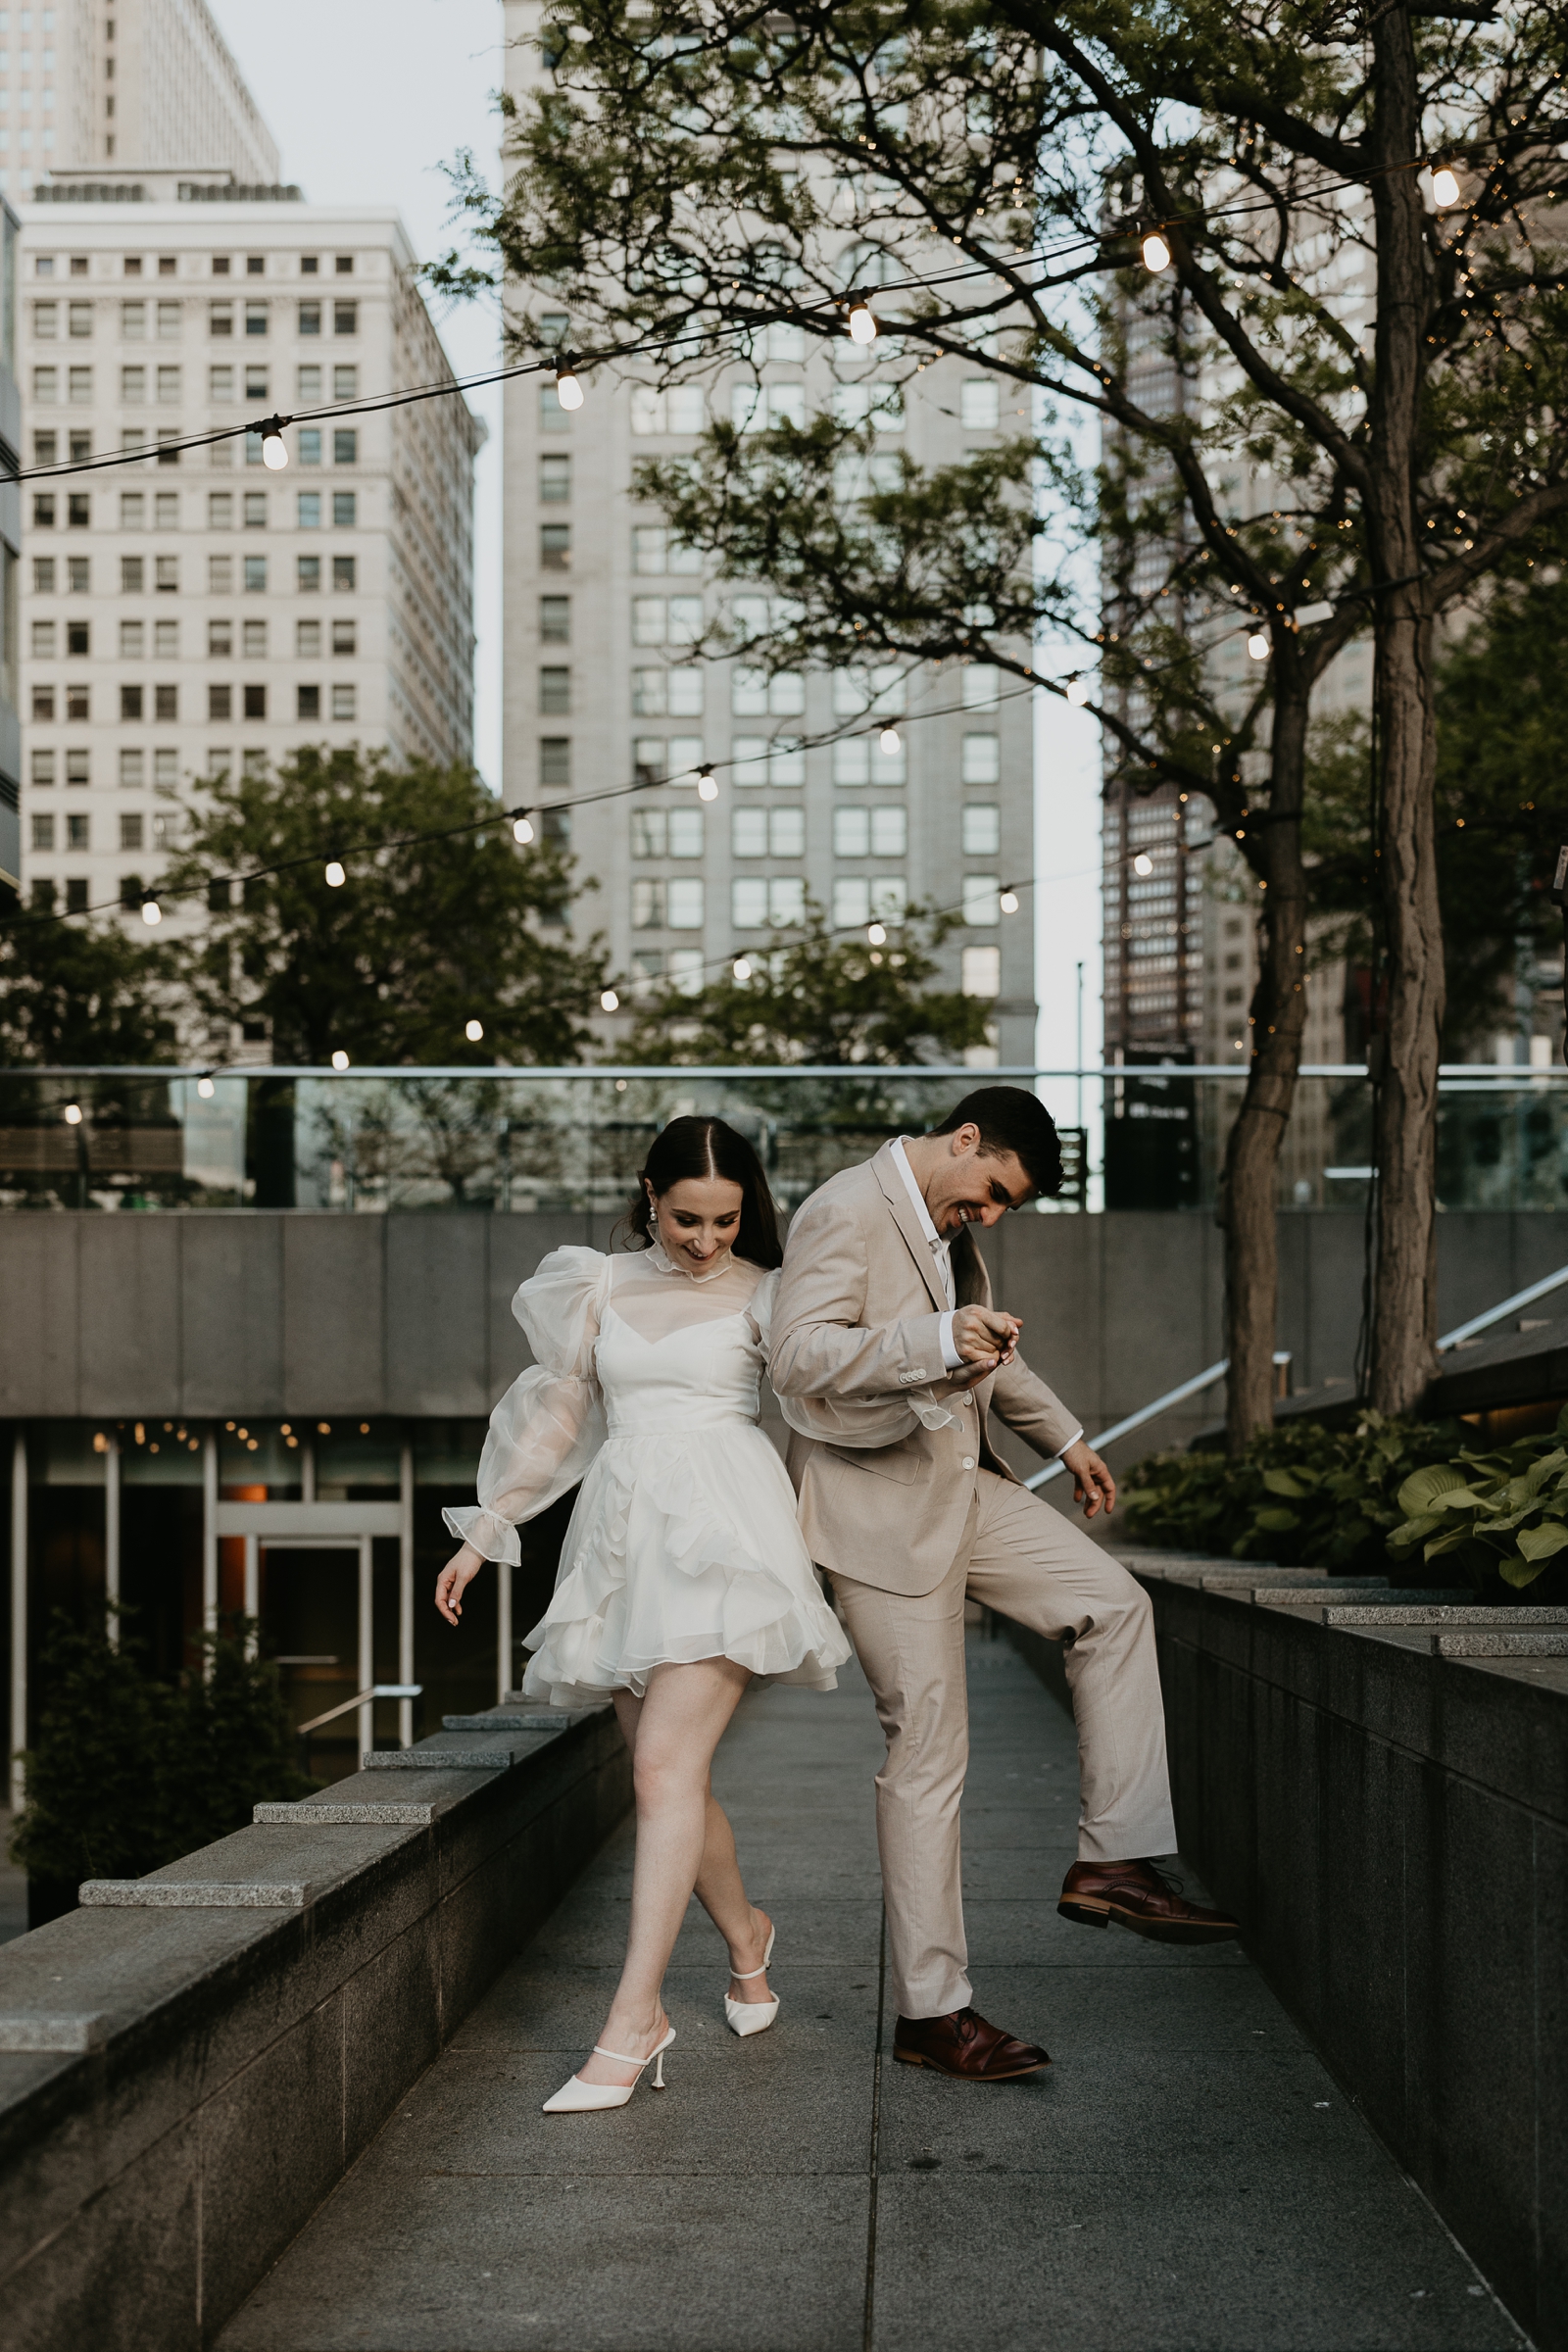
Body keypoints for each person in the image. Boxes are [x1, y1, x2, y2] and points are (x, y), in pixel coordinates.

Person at [768, 1086, 1238, 2083]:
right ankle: (932, 2015)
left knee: (1114, 1607)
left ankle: (1112, 1859)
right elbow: (798, 1360)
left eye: (1000, 1209)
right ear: (962, 1139)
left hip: (958, 1485)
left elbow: (985, 1351)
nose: (985, 1216)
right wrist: (933, 1344)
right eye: (986, 1194)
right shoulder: (842, 1210)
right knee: (930, 1755)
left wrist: (1066, 1439)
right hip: (874, 1513)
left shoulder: (949, 1226)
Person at [434, 1114, 850, 2115]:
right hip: (622, 1537)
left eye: (726, 1220)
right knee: (668, 1773)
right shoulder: (601, 1284)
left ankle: (634, 2021)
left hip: (726, 1534)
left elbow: (834, 1401)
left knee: (663, 1768)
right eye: (684, 1219)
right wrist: (488, 1525)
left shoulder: (771, 1294)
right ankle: (746, 1935)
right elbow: (560, 1415)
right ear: (648, 1197)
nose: (705, 1240)